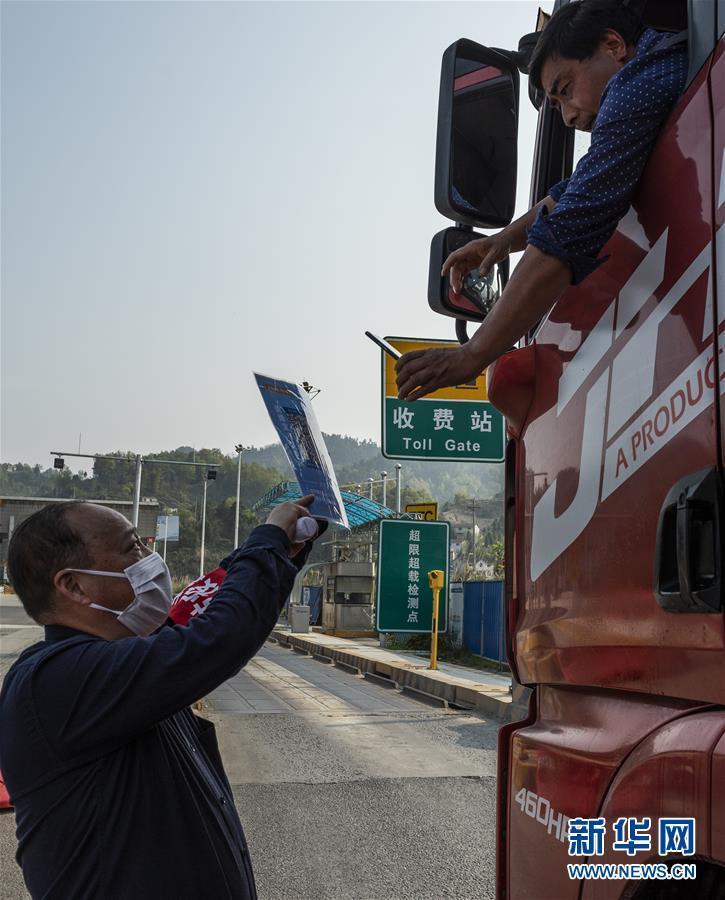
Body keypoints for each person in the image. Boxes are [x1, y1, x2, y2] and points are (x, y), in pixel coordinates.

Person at [0, 497, 318, 899]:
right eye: (132, 547)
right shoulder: (54, 679)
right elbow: (220, 637)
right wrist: (267, 539)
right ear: (74, 585)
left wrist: (280, 552)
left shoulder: (125, 664)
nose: (151, 559)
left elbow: (209, 610)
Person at [396, 0, 688, 401]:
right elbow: (575, 187)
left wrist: (473, 354)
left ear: (613, 46)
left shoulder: (635, 86)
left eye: (565, 91)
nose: (568, 116)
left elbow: (567, 232)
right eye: (556, 105)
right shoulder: (662, 68)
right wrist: (505, 240)